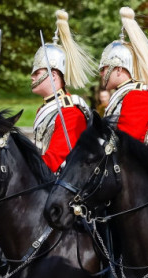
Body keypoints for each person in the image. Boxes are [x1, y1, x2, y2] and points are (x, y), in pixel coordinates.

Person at [30, 10, 94, 173]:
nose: (31, 77)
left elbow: (56, 160)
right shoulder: (48, 108)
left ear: (52, 75)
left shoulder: (69, 111)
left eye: (37, 73)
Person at [98, 7, 148, 149]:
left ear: (118, 69)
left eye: (104, 68)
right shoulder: (126, 94)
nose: (101, 73)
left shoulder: (137, 97)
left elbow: (124, 144)